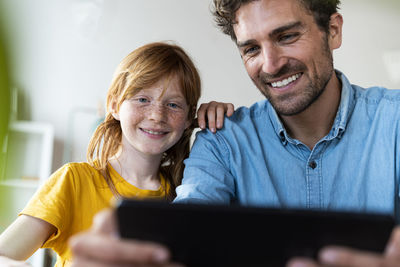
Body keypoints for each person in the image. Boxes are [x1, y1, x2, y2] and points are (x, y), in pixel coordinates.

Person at [69, 0, 400, 266]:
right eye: (252, 49)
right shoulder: (221, 139)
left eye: (286, 36)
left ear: (332, 30)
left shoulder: (394, 121)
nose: (270, 65)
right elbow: (189, 223)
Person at [0, 42, 234, 266]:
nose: (157, 115)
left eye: (173, 105)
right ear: (114, 105)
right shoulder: (74, 181)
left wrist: (223, 124)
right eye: (143, 99)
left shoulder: (188, 192)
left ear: (188, 117)